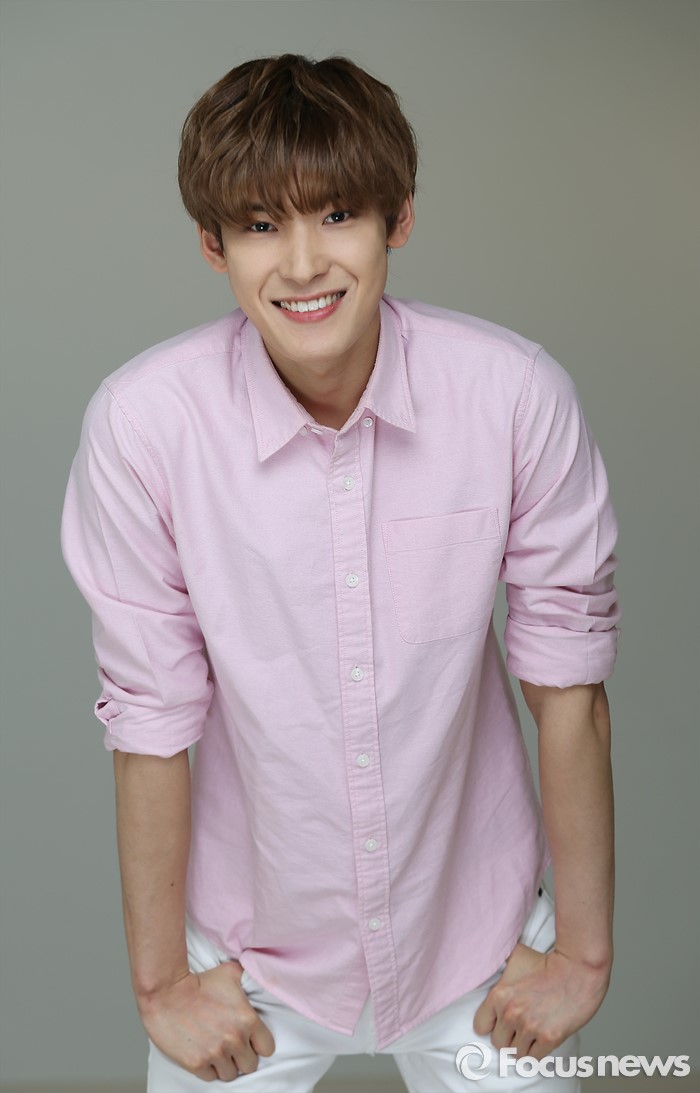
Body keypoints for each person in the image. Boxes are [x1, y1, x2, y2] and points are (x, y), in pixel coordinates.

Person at [60, 53, 621, 1092]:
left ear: (397, 218)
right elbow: (150, 720)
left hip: (479, 943)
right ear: (212, 244)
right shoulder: (144, 427)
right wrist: (161, 984)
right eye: (259, 225)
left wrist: (582, 955)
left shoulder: (511, 394)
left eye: (337, 214)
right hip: (248, 958)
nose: (304, 263)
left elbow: (569, 685)